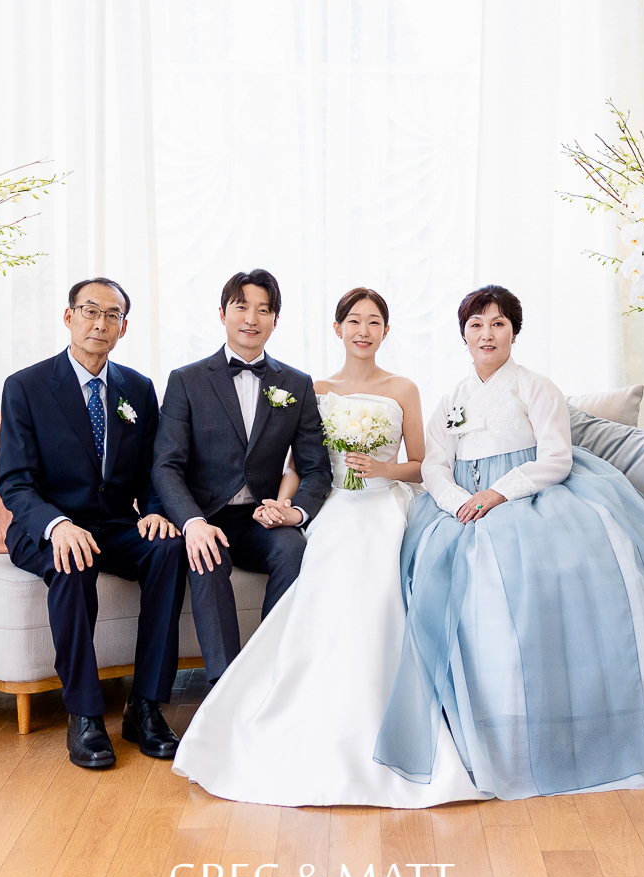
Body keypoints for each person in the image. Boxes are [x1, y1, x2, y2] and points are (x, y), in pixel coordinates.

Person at [374, 285, 644, 799]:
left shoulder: (536, 386)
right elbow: (435, 464)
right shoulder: (451, 399)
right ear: (464, 334)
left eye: (498, 324)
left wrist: (498, 494)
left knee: (542, 568)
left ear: (514, 332)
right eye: (477, 324)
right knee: (441, 564)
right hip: (463, 501)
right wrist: (459, 501)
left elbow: (555, 457)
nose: (487, 334)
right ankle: (478, 728)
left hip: (529, 493)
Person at [171, 289, 487, 807]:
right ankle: (288, 697)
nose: (364, 330)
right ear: (337, 328)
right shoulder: (311, 388)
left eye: (374, 322)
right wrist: (281, 506)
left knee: (376, 568)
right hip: (332, 502)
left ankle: (380, 706)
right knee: (321, 557)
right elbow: (301, 467)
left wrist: (384, 469)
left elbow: (424, 464)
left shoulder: (403, 388)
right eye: (354, 321)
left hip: (385, 502)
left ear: (386, 331)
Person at [0, 278, 189, 769]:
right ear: (69, 317)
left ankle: (145, 706)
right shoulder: (26, 387)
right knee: (73, 558)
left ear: (123, 327)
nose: (100, 323)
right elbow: (14, 482)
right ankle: (84, 714)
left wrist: (154, 511)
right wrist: (57, 523)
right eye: (90, 311)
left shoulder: (138, 389)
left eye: (112, 315)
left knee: (169, 549)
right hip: (47, 527)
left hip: (114, 524)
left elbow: (151, 472)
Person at [152, 270, 333, 680]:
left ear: (275, 320)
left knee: (293, 549)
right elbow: (166, 465)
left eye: (263, 310)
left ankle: (270, 673)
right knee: (206, 555)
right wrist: (192, 522)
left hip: (260, 518)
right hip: (206, 515)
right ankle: (225, 685)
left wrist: (295, 512)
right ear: (222, 314)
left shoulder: (297, 384)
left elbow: (315, 467)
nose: (251, 318)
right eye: (241, 307)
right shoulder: (186, 380)